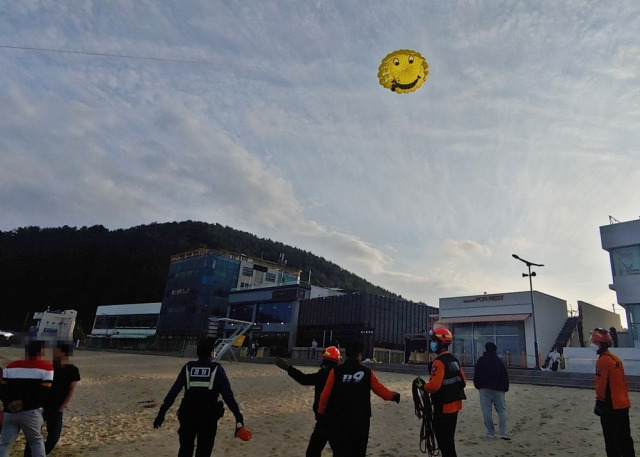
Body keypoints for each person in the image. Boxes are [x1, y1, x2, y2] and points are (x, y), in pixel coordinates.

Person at [153, 338, 246, 457]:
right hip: (208, 418)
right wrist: (238, 416)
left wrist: (162, 413)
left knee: (185, 450)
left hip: (187, 416)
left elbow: (173, 393)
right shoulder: (216, 369)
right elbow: (228, 396)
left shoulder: (188, 368)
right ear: (211, 353)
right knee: (204, 451)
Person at [317, 340, 400, 457]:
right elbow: (380, 391)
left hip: (339, 419)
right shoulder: (366, 372)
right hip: (360, 420)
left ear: (346, 355)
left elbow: (325, 395)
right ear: (359, 356)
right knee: (358, 451)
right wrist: (393, 396)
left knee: (340, 451)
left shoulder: (336, 371)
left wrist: (321, 412)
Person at [275, 346, 341, 457]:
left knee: (313, 452)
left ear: (324, 360)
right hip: (338, 420)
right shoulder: (340, 374)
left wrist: (288, 367)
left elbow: (304, 379)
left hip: (324, 420)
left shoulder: (324, 374)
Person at [24, 340, 80, 457]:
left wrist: (62, 407)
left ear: (64, 353)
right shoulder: (49, 367)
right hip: (41, 406)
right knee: (33, 435)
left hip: (57, 408)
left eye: (57, 350)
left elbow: (71, 390)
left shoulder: (73, 370)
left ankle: (40, 453)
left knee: (54, 437)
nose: (54, 352)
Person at [0, 340, 54, 457]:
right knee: (36, 442)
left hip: (9, 411)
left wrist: (9, 403)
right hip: (31, 412)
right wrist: (23, 403)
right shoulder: (47, 368)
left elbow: (2, 389)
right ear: (41, 352)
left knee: (5, 444)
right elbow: (43, 393)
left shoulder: (11, 366)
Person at [419, 328, 466, 457]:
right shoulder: (454, 360)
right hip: (455, 405)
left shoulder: (439, 362)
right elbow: (463, 382)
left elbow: (434, 386)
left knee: (444, 443)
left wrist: (424, 387)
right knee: (449, 441)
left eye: (434, 341)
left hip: (443, 407)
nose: (432, 344)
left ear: (441, 343)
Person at [591, 328, 635, 457]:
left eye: (595, 342)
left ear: (601, 344)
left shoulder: (603, 361)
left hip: (610, 405)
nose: (593, 345)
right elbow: (623, 381)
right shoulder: (615, 359)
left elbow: (601, 384)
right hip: (623, 403)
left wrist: (599, 402)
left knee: (611, 439)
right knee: (625, 437)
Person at [473, 342, 510, 440]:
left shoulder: (481, 360)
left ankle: (490, 431)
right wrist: (505, 387)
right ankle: (504, 432)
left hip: (484, 388)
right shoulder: (499, 361)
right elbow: (504, 375)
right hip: (498, 389)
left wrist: (477, 385)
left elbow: (476, 374)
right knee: (501, 410)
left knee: (486, 412)